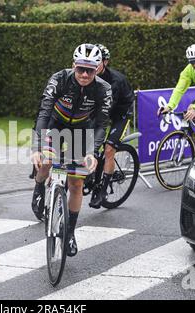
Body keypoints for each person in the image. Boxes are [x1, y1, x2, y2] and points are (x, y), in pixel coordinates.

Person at [31, 43, 112, 257]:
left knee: (76, 184)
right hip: (55, 124)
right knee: (46, 162)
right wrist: (37, 147)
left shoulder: (103, 88)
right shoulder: (58, 79)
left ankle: (70, 233)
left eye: (90, 70)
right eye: (80, 69)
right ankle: (39, 186)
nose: (85, 74)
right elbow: (44, 110)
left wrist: (92, 152)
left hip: (82, 131)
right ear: (73, 66)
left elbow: (102, 124)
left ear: (98, 69)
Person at [89, 44, 135, 209]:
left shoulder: (115, 81)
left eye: (98, 62)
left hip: (120, 113)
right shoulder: (86, 74)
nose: (93, 66)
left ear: (105, 62)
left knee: (109, 149)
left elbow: (104, 111)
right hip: (103, 112)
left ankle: (102, 190)